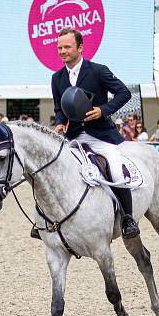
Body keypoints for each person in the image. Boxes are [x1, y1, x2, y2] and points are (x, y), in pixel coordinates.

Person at [52, 27, 139, 239]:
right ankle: (48, 220)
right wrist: (60, 123)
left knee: (116, 172)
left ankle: (128, 219)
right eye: (59, 47)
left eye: (67, 47)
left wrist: (103, 110)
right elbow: (58, 108)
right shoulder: (57, 78)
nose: (62, 51)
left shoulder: (98, 71)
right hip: (73, 137)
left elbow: (123, 93)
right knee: (52, 171)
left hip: (100, 135)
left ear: (80, 47)